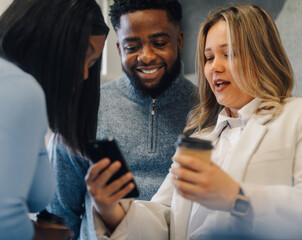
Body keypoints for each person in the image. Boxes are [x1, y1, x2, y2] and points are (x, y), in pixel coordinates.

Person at [86, 3, 302, 240]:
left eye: (228, 54)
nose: (214, 67)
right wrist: (112, 211)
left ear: (261, 56)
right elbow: (166, 221)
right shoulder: (197, 138)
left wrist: (236, 197)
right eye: (208, 57)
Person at [45, 0, 197, 239]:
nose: (146, 57)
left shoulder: (208, 109)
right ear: (119, 49)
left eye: (158, 43)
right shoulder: (86, 109)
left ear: (179, 41)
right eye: (132, 47)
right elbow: (60, 216)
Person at [0, 0, 109, 239]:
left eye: (92, 64)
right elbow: (6, 223)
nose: (84, 75)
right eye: (84, 56)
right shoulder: (20, 90)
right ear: (53, 35)